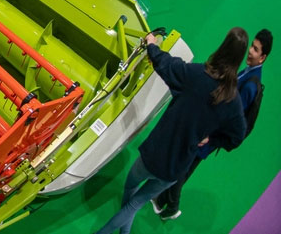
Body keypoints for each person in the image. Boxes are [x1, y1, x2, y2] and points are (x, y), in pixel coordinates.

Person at [92, 28, 248, 234]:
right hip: (176, 168)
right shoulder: (233, 102)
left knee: (130, 189)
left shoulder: (194, 74)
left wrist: (151, 44)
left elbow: (166, 64)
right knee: (136, 204)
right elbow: (237, 136)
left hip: (155, 154)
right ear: (240, 59)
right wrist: (212, 139)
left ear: (222, 48)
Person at [153, 29, 272, 220]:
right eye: (252, 46)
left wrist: (210, 137)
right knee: (183, 169)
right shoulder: (248, 73)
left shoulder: (250, 85)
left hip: (208, 137)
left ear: (263, 57)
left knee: (182, 171)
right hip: (208, 132)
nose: (250, 51)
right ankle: (161, 200)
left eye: (256, 49)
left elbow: (231, 117)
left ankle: (171, 208)